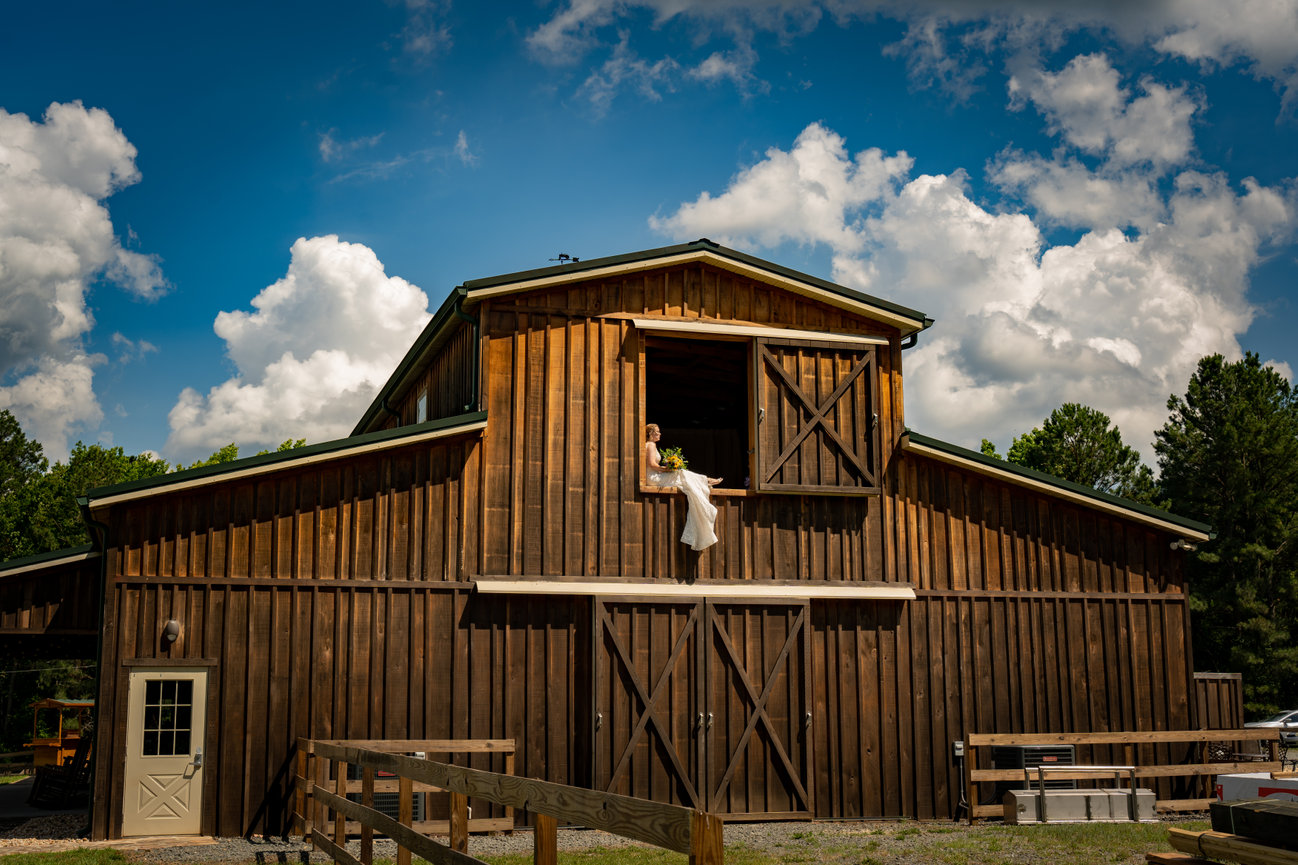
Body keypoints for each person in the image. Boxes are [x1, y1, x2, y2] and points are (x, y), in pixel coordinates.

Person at [644, 423, 721, 550]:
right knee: (682, 473)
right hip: (654, 478)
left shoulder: (649, 445)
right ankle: (706, 480)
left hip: (653, 476)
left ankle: (705, 481)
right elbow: (652, 465)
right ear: (650, 433)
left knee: (682, 476)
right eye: (657, 432)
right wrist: (667, 469)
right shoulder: (651, 445)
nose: (659, 434)